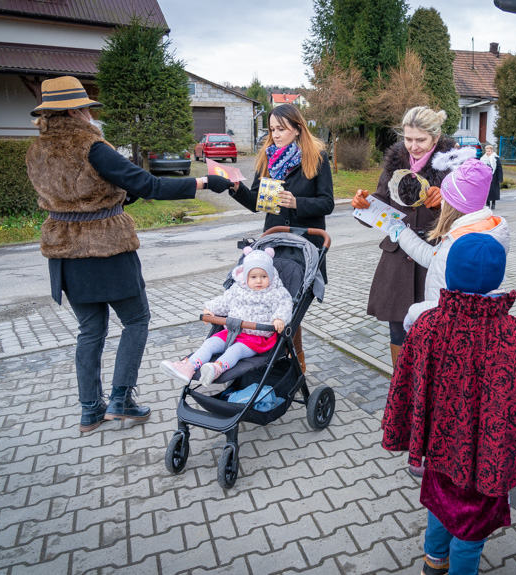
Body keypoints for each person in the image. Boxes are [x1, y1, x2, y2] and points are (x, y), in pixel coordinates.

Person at [24, 76, 233, 433]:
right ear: (75, 111)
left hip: (63, 251)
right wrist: (202, 182)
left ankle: (90, 410)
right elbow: (149, 184)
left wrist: (119, 195)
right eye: (87, 108)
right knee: (136, 320)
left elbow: (81, 193)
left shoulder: (36, 151)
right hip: (106, 248)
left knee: (90, 331)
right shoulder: (92, 146)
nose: (90, 114)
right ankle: (121, 400)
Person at [382, 233, 516, 575]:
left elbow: (405, 387)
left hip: (439, 450)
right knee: (471, 528)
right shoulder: (514, 334)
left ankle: (433, 562)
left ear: (449, 273)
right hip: (488, 459)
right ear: (498, 277)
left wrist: (407, 432)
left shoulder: (428, 326)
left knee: (439, 502)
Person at [228, 103, 333, 372]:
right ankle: (280, 364)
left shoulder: (316, 158)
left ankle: (296, 362)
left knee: (291, 306)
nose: (275, 134)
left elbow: (327, 203)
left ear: (297, 129)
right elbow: (255, 202)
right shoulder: (267, 159)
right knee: (272, 305)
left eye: (281, 129)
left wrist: (298, 202)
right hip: (274, 242)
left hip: (304, 246)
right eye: (272, 129)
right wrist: (235, 187)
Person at [350, 106, 455, 369]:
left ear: (435, 137)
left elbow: (466, 212)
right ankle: (402, 388)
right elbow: (381, 202)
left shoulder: (451, 165)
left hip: (432, 256)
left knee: (432, 331)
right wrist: (363, 205)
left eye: (420, 140)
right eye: (408, 139)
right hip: (397, 257)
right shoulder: (395, 162)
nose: (413, 146)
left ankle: (429, 387)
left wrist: (443, 205)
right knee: (397, 330)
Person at [393, 157, 509, 332]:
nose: (440, 202)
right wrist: (401, 233)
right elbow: (434, 258)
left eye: (444, 198)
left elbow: (452, 305)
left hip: (447, 334)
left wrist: (414, 313)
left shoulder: (462, 247)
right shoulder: (479, 234)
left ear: (451, 205)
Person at [160, 247, 292, 387]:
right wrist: (209, 309)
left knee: (235, 351)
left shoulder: (276, 292)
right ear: (245, 276)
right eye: (253, 277)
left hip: (256, 338)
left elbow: (285, 305)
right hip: (232, 332)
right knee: (209, 344)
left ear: (271, 276)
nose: (258, 281)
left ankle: (217, 368)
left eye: (263, 276)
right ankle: (188, 367)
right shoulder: (237, 289)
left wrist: (279, 319)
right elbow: (223, 301)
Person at [480, 144, 503, 210]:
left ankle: (493, 203)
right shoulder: (483, 159)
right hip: (486, 177)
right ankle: (487, 203)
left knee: (493, 191)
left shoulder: (495, 158)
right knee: (486, 190)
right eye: (486, 151)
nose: (487, 152)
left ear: (492, 151)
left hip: (494, 177)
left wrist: (500, 178)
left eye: (489, 151)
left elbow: (499, 168)